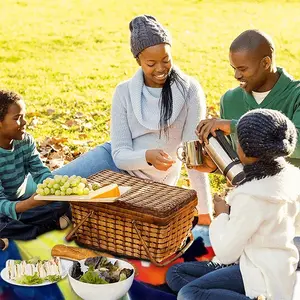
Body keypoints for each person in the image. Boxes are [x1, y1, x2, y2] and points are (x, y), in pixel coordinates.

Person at [51, 15, 212, 222]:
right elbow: (119, 154)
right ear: (138, 61)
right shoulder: (124, 92)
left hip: (149, 186)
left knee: (75, 211)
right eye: (151, 63)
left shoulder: (190, 90)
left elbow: (193, 156)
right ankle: (10, 217)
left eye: (166, 60)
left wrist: (205, 212)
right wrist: (146, 156)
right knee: (49, 190)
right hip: (112, 162)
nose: (161, 69)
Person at [166, 108, 300, 300]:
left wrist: (222, 215)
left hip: (259, 274)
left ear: (244, 150)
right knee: (175, 274)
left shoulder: (251, 196)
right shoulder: (292, 177)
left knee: (188, 293)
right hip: (275, 265)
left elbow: (226, 252)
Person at [196, 29, 300, 170]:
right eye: (234, 68)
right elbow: (238, 161)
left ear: (265, 63)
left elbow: (296, 144)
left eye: (242, 69)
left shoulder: (296, 95)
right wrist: (215, 166)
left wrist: (235, 127)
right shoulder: (230, 100)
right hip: (250, 189)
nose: (237, 75)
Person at [0, 90, 70, 241]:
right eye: (17, 118)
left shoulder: (25, 141)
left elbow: (40, 172)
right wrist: (28, 205)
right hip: (4, 207)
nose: (24, 122)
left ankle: (20, 228)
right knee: (2, 223)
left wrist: (53, 189)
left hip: (21, 201)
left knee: (64, 203)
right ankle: (44, 226)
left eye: (24, 116)